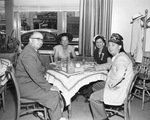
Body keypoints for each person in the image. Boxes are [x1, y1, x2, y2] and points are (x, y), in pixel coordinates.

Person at [15, 32, 67, 120]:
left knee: (56, 87)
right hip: (26, 86)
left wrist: (50, 66)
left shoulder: (32, 50)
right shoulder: (28, 54)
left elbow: (39, 67)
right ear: (30, 40)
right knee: (53, 94)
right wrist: (48, 87)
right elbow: (35, 75)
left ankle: (45, 112)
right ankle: (56, 117)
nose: (40, 41)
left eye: (42, 39)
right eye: (37, 39)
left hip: (29, 83)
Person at [89, 33, 134, 120]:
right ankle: (109, 107)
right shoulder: (119, 56)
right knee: (95, 86)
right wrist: (96, 68)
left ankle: (102, 118)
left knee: (93, 98)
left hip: (119, 90)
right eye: (109, 45)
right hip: (121, 86)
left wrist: (111, 85)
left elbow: (120, 75)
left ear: (120, 46)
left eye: (113, 45)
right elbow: (109, 65)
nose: (110, 47)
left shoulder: (121, 59)